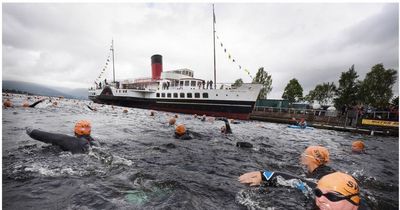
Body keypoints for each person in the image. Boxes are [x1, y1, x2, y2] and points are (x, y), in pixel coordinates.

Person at [238, 146, 335, 186]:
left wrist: (265, 175)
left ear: (312, 159)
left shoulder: (323, 176)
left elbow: (308, 185)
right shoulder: (316, 171)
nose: (301, 156)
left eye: (304, 154)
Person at [26, 120, 99, 154]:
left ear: (75, 131)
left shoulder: (66, 140)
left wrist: (29, 129)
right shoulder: (95, 143)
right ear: (90, 131)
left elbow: (42, 135)